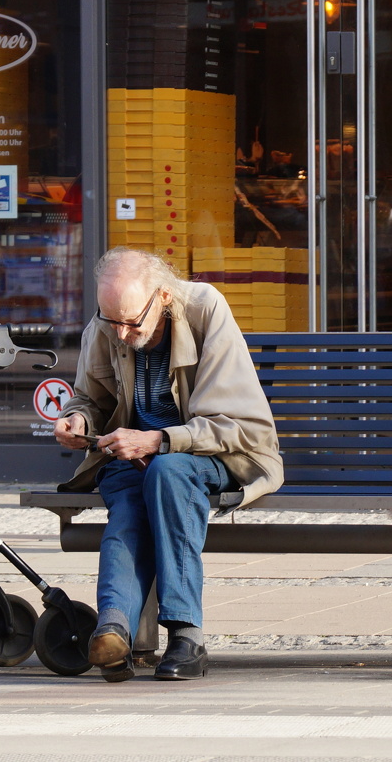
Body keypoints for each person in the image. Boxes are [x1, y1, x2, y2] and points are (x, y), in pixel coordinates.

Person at [53, 248, 284, 682]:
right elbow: (90, 399)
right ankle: (114, 630)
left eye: (130, 322)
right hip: (134, 458)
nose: (120, 333)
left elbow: (237, 425)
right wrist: (78, 419)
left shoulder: (205, 308)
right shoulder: (107, 322)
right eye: (110, 321)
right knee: (129, 498)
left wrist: (159, 440)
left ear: (162, 297)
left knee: (167, 472)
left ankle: (185, 634)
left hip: (213, 455)